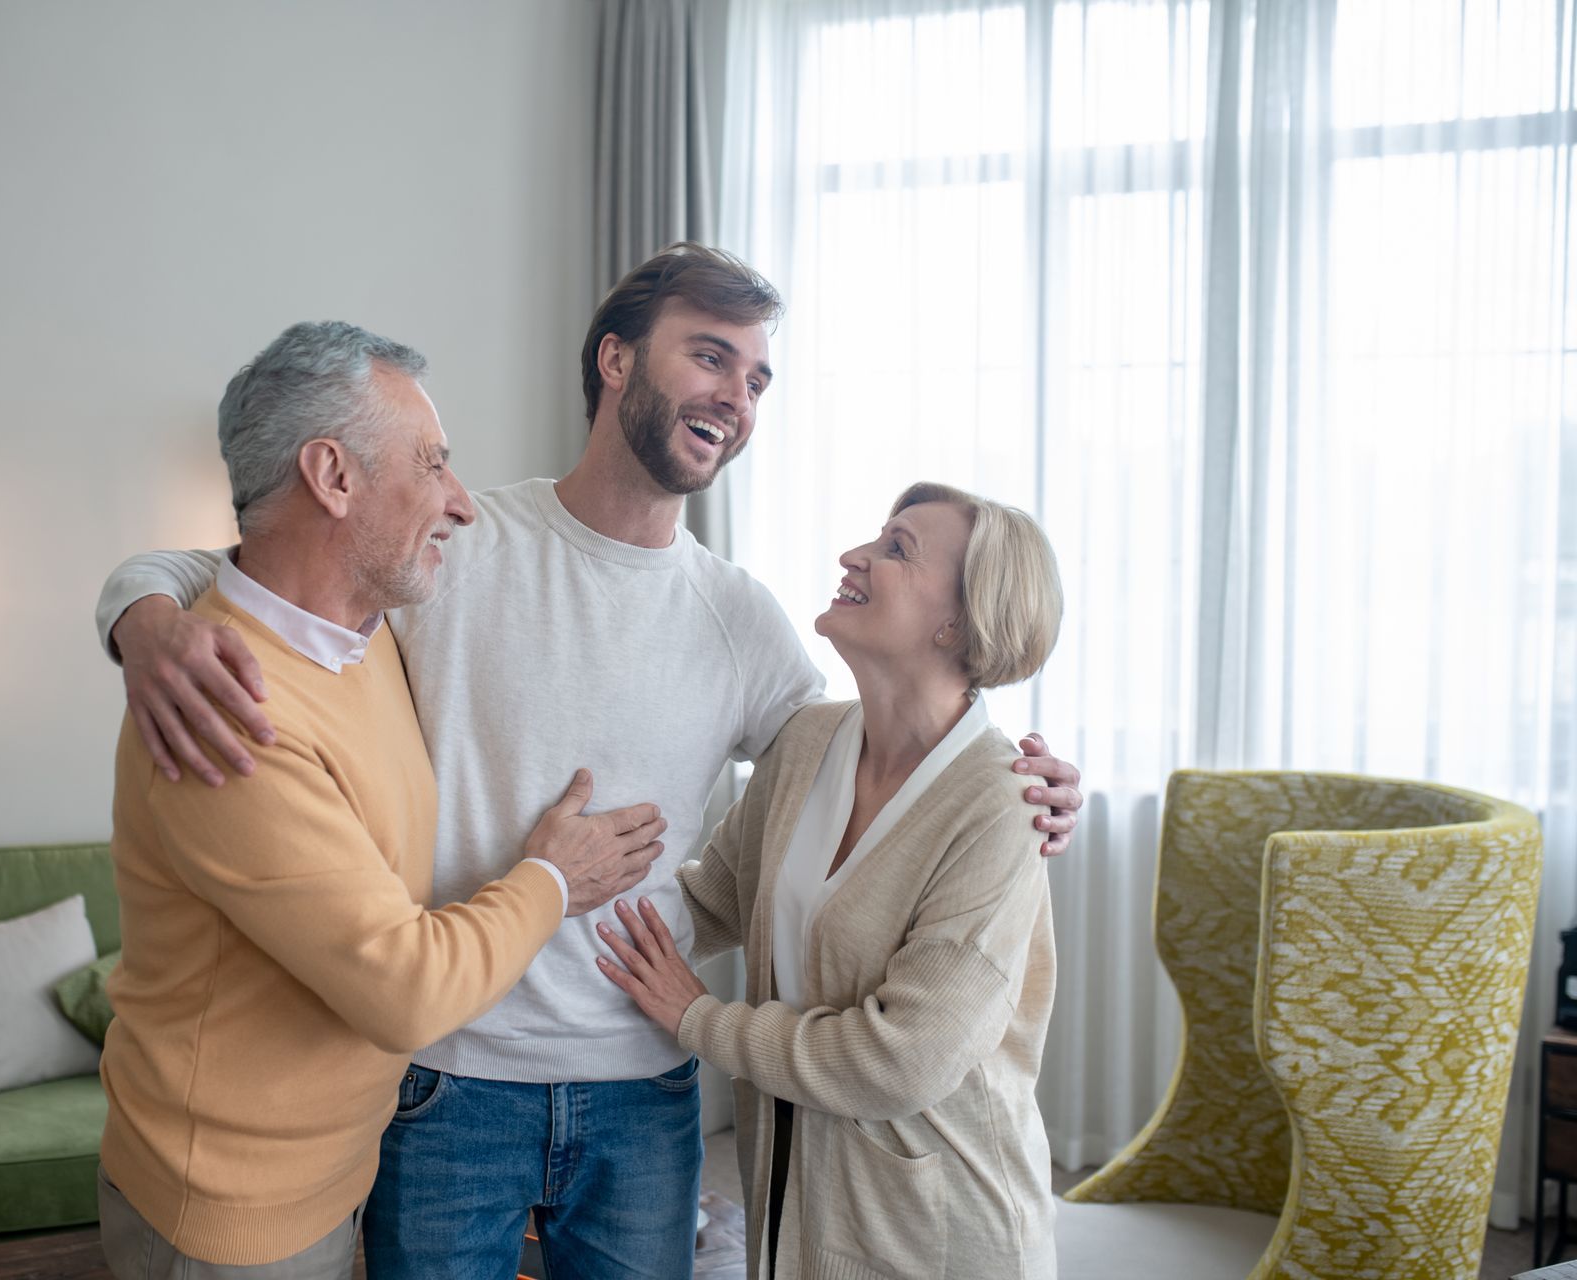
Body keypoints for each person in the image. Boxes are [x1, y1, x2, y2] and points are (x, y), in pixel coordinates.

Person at [94, 245, 1085, 1279]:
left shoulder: (740, 621)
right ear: (616, 360)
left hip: (643, 1089)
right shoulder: (457, 548)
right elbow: (267, 571)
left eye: (756, 378)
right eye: (710, 356)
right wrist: (143, 611)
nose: (736, 396)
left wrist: (1032, 779)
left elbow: (881, 748)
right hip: (446, 1080)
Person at [95, 321, 670, 1280]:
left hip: (326, 1181)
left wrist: (138, 605)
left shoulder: (368, 635)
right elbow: (403, 991)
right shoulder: (231, 715)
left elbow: (213, 564)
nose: (460, 501)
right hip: (231, 1220)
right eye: (432, 463)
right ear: (332, 476)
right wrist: (553, 878)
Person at [598, 482, 1063, 1280]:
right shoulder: (807, 744)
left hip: (940, 1230)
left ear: (959, 619)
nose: (856, 556)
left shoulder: (1002, 802)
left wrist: (699, 1019)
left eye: (896, 549)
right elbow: (712, 900)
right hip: (793, 1210)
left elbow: (900, 1061)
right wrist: (553, 889)